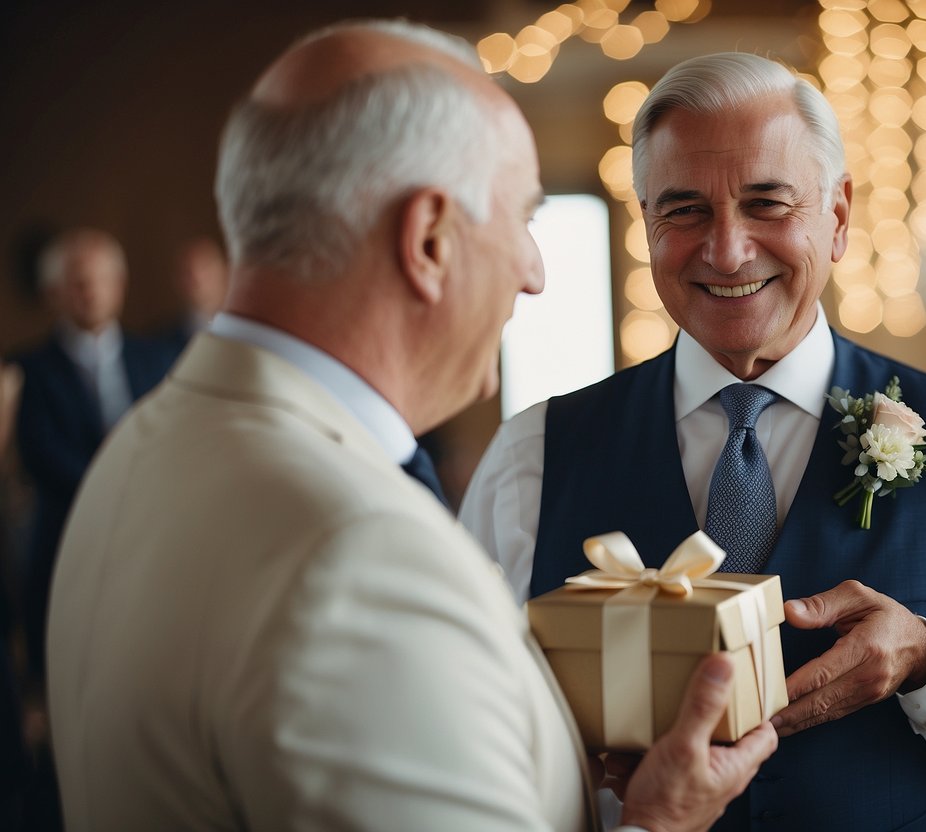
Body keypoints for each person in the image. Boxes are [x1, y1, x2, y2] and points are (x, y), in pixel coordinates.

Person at [45, 20, 775, 831]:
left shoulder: (146, 443)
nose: (533, 273)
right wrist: (662, 823)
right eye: (520, 219)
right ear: (428, 239)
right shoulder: (362, 563)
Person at [461, 52, 926, 830]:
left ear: (836, 218)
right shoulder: (532, 455)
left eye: (766, 203)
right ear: (645, 226)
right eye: (684, 210)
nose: (727, 251)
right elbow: (462, 726)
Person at [13, 228, 176, 685]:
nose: (88, 291)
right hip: (67, 545)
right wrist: (116, 493)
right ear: (53, 294)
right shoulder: (28, 370)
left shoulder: (158, 357)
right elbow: (41, 454)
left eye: (98, 279)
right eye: (76, 281)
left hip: (151, 543)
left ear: (119, 285)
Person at [163, 236, 230, 352]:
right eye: (187, 271)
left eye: (205, 267)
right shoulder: (161, 343)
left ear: (225, 271)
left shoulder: (248, 332)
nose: (197, 278)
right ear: (176, 280)